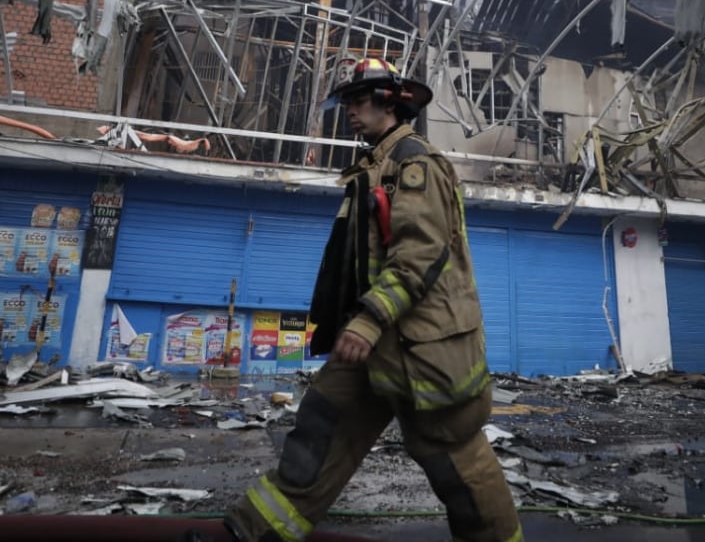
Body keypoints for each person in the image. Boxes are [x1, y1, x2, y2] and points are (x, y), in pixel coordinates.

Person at [217, 57, 523, 542]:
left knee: (455, 462)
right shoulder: (374, 166)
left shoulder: (415, 164)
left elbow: (419, 254)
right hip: (371, 344)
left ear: (390, 103)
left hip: (420, 350)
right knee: (318, 432)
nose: (350, 112)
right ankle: (252, 533)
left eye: (358, 102)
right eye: (347, 104)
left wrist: (369, 320)